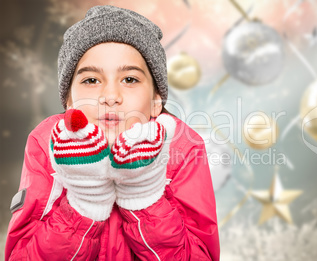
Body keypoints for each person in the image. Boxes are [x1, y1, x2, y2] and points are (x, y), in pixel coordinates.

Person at [5, 5, 220, 261]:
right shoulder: (46, 144)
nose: (109, 97)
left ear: (156, 101)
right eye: (91, 80)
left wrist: (143, 195)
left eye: (129, 79)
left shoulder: (181, 148)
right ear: (69, 102)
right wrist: (84, 203)